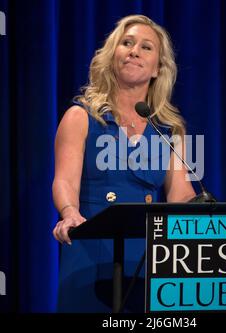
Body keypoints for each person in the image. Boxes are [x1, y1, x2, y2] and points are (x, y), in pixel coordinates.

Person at [52, 14, 196, 312]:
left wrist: (206, 217)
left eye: (146, 47)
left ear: (158, 68)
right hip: (90, 248)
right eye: (126, 43)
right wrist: (69, 213)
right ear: (112, 55)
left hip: (145, 257)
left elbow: (181, 195)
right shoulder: (81, 117)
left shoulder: (170, 130)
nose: (134, 51)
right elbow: (65, 180)